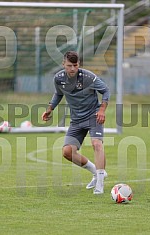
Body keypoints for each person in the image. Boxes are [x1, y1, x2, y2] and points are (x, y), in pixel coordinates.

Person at [42, 51, 110, 195]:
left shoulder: (88, 77)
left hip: (93, 116)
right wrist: (50, 109)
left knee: (97, 144)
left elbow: (105, 91)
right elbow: (58, 93)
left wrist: (102, 110)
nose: (72, 68)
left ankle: (100, 183)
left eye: (75, 65)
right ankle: (96, 173)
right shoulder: (59, 78)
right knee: (67, 152)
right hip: (76, 120)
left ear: (79, 64)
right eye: (69, 65)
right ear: (63, 65)